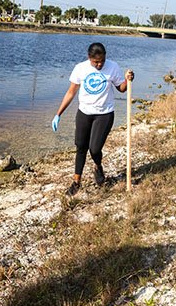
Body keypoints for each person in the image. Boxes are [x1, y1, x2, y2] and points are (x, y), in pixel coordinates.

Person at [51, 42, 134, 195]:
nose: (100, 64)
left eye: (102, 60)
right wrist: (58, 114)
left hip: (105, 114)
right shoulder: (80, 68)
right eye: (96, 61)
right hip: (84, 113)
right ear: (89, 58)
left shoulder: (113, 67)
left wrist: (127, 80)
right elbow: (70, 93)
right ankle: (76, 182)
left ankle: (98, 167)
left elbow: (121, 89)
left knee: (95, 149)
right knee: (81, 147)